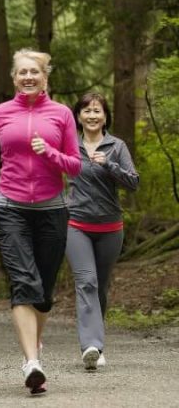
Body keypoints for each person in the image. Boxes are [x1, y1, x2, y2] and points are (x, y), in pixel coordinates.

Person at [0, 49, 81, 394]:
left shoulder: (61, 114)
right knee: (23, 284)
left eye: (35, 71)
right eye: (22, 72)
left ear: (45, 76)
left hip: (51, 208)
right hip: (11, 207)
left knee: (44, 293)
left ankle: (34, 345)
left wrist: (48, 152)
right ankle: (32, 362)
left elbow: (76, 165)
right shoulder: (0, 114)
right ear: (15, 78)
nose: (29, 77)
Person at [66, 92, 139, 371]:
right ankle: (91, 346)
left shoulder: (116, 146)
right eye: (87, 111)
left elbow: (133, 182)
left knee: (101, 287)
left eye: (98, 111)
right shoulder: (69, 144)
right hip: (76, 225)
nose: (92, 115)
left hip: (110, 227)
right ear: (79, 116)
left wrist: (109, 164)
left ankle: (98, 343)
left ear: (105, 116)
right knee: (86, 282)